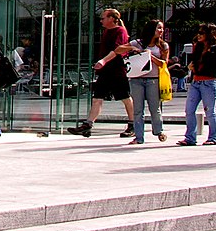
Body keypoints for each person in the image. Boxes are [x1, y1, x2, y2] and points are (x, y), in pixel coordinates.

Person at [68, 9, 136, 138]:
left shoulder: (120, 31)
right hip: (106, 71)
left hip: (117, 70)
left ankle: (133, 124)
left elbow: (117, 50)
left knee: (125, 97)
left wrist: (103, 61)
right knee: (97, 98)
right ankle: (88, 124)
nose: (101, 20)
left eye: (103, 18)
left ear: (111, 18)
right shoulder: (106, 32)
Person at [178, 22, 216, 147]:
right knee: (189, 110)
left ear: (209, 34)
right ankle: (190, 137)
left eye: (202, 33)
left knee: (210, 111)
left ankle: (213, 137)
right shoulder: (198, 47)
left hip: (209, 81)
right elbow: (194, 61)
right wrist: (190, 67)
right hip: (196, 81)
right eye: (198, 32)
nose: (199, 35)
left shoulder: (215, 48)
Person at [122, 19, 168, 145]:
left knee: (155, 108)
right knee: (138, 109)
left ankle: (158, 131)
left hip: (153, 79)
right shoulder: (137, 43)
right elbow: (120, 49)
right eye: (158, 28)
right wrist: (132, 48)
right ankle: (139, 137)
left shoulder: (163, 46)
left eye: (162, 28)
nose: (161, 31)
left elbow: (164, 63)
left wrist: (150, 56)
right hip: (137, 79)